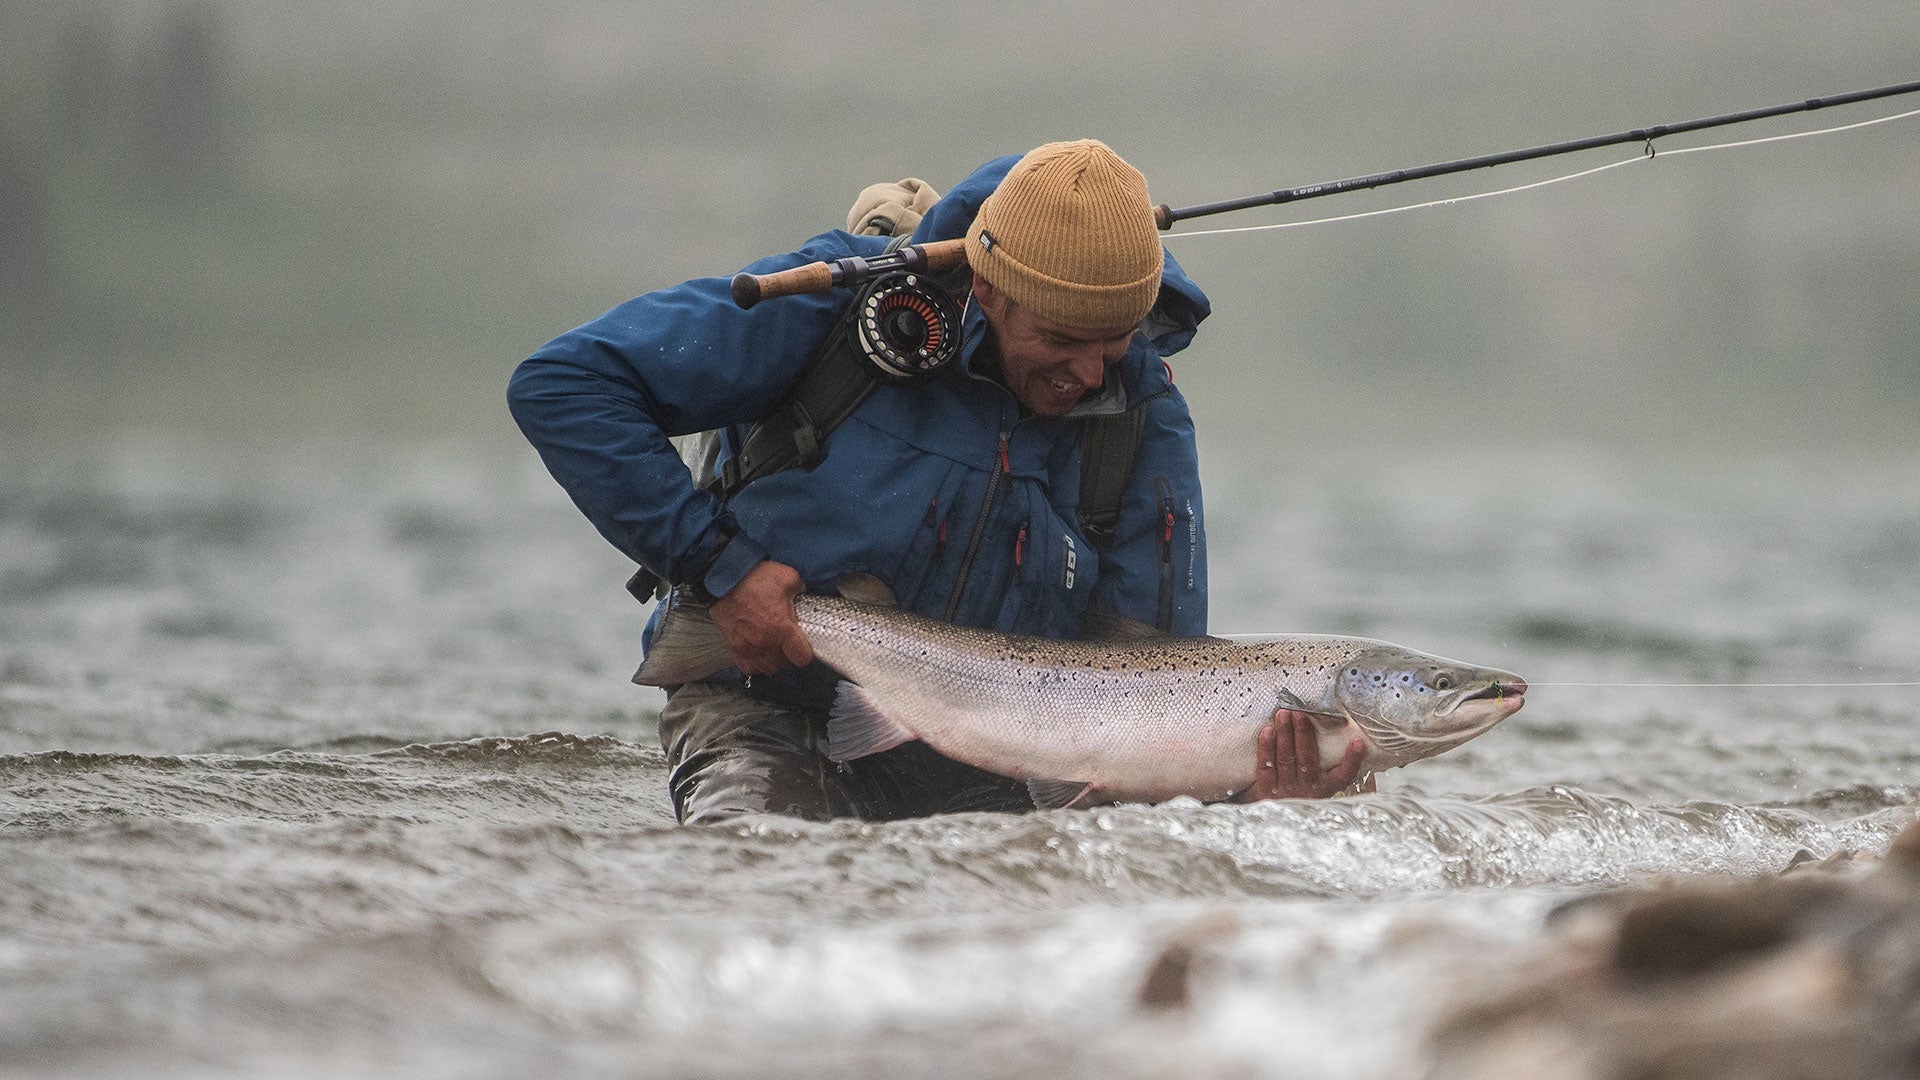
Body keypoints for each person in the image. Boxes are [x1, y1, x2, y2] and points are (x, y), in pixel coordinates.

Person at [508, 140, 1363, 823]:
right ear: (989, 291)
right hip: (771, 705)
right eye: (1062, 340)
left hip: (1003, 766)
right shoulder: (834, 314)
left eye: (1115, 343)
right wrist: (717, 569)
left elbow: (1155, 681)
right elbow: (563, 385)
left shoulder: (1144, 417)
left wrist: (1253, 798)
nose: (1087, 373)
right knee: (751, 874)